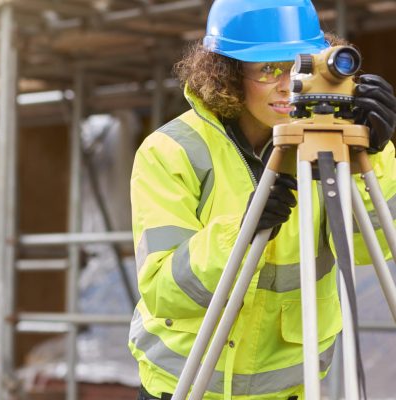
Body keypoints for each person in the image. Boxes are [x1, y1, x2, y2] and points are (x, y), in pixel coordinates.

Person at [128, 0, 396, 399]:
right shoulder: (171, 151)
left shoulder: (327, 145)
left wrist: (371, 152)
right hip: (190, 385)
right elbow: (165, 291)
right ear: (228, 74)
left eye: (299, 66)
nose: (288, 85)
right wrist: (243, 230)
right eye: (268, 70)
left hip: (288, 389)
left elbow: (366, 247)